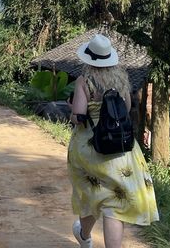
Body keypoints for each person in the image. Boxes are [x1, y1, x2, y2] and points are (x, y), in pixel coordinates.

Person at [68, 33, 159, 248]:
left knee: (91, 194)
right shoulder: (121, 79)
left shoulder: (85, 81)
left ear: (89, 59)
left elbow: (78, 117)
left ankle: (84, 235)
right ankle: (87, 236)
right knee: (114, 205)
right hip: (120, 146)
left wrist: (72, 109)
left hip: (90, 147)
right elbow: (126, 110)